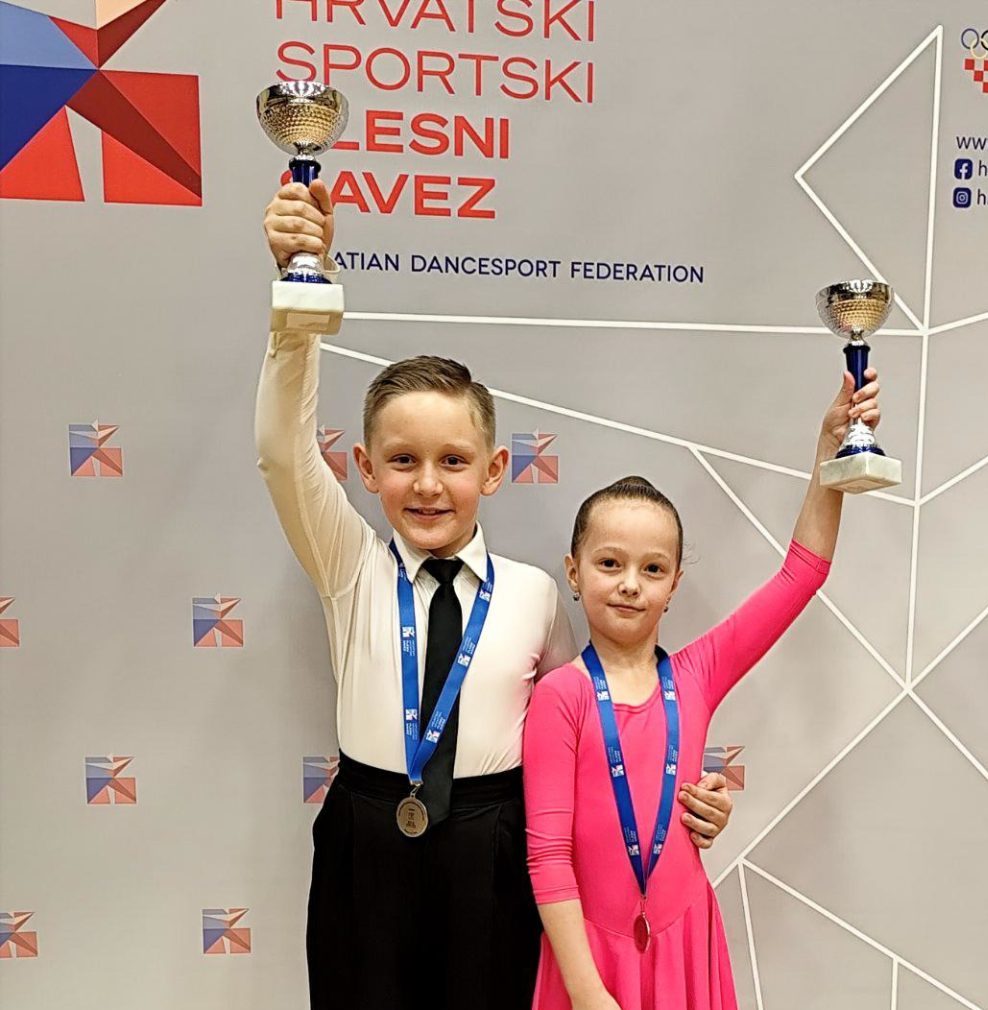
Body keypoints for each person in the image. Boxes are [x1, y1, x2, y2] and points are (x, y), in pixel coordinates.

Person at [256, 179, 736, 1010]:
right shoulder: (348, 565)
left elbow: (593, 732)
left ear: (494, 470)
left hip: (494, 844)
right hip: (367, 835)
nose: (428, 484)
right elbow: (280, 454)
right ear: (364, 470)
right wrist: (297, 304)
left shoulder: (536, 595)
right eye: (402, 461)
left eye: (453, 461)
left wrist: (695, 799)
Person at [523, 369, 882, 1009]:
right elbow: (549, 857)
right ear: (574, 573)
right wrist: (586, 990)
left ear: (675, 585)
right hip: (588, 962)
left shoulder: (695, 676)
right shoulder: (562, 698)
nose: (630, 583)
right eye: (610, 563)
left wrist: (827, 454)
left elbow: (802, 574)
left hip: (686, 949)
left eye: (652, 568)